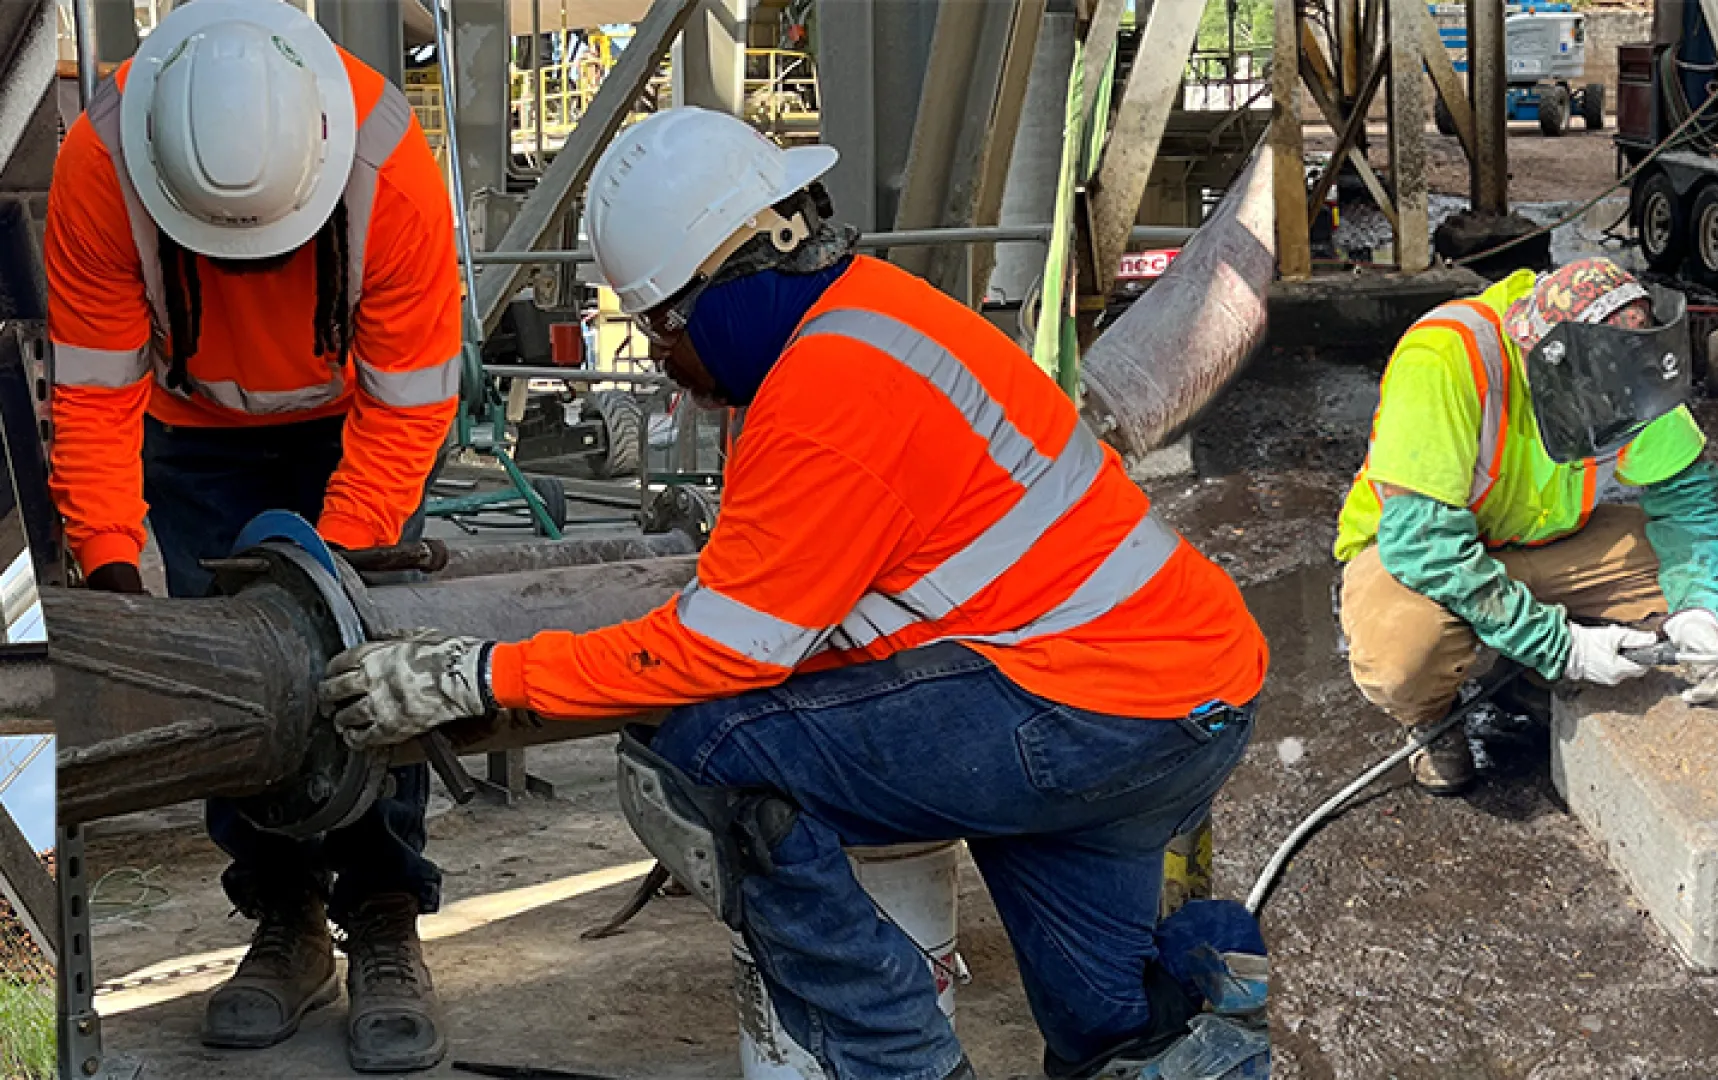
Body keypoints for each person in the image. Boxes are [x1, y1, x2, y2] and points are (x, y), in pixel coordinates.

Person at [322, 107, 1270, 1080]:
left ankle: (898, 1060)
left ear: (720, 296)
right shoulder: (880, 313)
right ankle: (1196, 1037)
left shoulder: (827, 387)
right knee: (1107, 1035)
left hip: (1079, 708)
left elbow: (723, 654)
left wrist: (482, 673)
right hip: (1176, 698)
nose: (658, 358)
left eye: (659, 325)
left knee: (711, 756)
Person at [45, 1, 460, 1071]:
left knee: (368, 679)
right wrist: (113, 567)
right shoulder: (100, 158)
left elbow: (411, 398)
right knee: (228, 690)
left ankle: (381, 914)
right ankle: (282, 919)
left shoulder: (387, 165)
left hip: (356, 427)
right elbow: (94, 393)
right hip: (193, 439)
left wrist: (330, 578)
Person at [1333, 257, 1718, 794]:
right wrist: (1561, 646)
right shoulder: (1447, 357)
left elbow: (1685, 492)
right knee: (1404, 653)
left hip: (1548, 544)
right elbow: (1424, 542)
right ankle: (1434, 717)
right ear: (1542, 362)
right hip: (1419, 556)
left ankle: (1522, 674)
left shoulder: (1623, 370)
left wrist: (1695, 608)